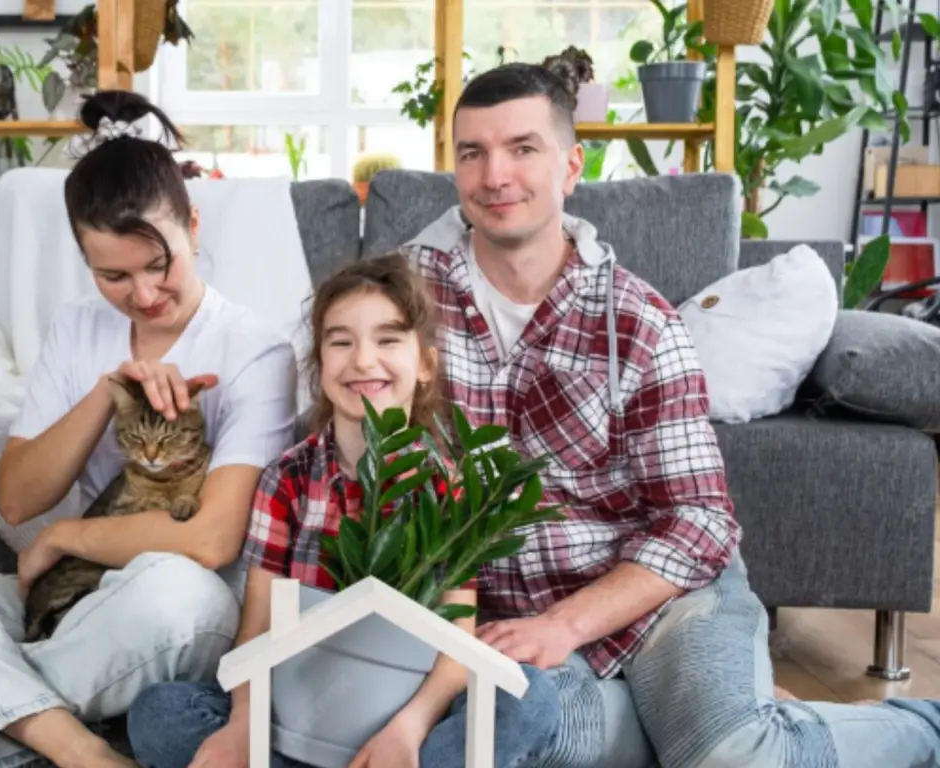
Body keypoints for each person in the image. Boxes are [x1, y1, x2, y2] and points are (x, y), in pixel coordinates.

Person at [393, 60, 940, 768]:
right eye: (473, 153)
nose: (495, 175)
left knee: (732, 755)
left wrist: (567, 623)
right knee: (533, 741)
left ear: (570, 167)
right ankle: (727, 721)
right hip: (511, 622)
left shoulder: (639, 319)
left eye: (523, 148)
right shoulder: (403, 304)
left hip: (660, 592)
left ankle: (914, 727)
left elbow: (699, 521)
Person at [0, 90, 299, 768]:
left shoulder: (255, 350)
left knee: (179, 598)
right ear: (85, 260)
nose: (143, 295)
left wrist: (63, 537)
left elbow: (211, 539)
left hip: (164, 609)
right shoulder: (79, 327)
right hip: (75, 612)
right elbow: (17, 498)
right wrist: (106, 393)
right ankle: (73, 744)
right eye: (113, 275)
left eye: (159, 264)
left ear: (194, 228)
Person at [124, 255, 562, 768]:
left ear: (425, 365)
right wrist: (243, 726)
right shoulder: (286, 480)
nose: (363, 360)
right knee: (159, 713)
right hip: (297, 719)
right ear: (319, 364)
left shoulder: (447, 487)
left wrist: (409, 728)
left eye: (388, 340)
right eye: (340, 342)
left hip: (404, 729)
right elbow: (257, 631)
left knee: (530, 697)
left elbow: (455, 645)